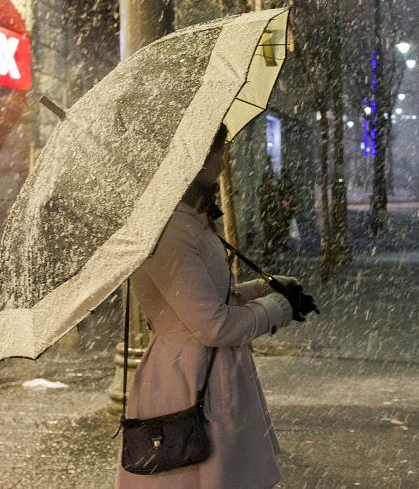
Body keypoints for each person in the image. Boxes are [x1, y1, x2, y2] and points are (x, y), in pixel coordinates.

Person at [116, 125, 315, 488]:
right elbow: (214, 326)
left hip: (212, 374)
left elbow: (208, 298)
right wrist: (279, 307)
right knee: (201, 477)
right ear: (193, 160)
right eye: (217, 153)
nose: (223, 163)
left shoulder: (189, 222)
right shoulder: (170, 231)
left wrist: (265, 288)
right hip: (188, 379)